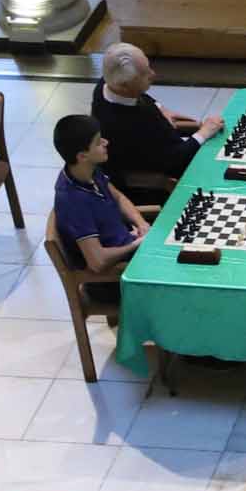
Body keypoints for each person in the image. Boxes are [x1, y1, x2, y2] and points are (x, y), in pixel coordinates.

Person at [50, 113, 150, 306]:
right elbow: (98, 262)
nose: (106, 142)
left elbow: (118, 197)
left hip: (130, 252)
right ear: (82, 155)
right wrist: (136, 244)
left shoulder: (88, 170)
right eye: (98, 142)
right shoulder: (74, 201)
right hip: (113, 281)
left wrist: (141, 223)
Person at [91, 44, 215, 192]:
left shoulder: (107, 82)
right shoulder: (127, 126)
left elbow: (138, 95)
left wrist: (159, 107)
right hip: (158, 181)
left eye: (148, 67)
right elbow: (176, 163)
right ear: (125, 85)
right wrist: (203, 134)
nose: (153, 74)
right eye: (145, 74)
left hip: (165, 151)